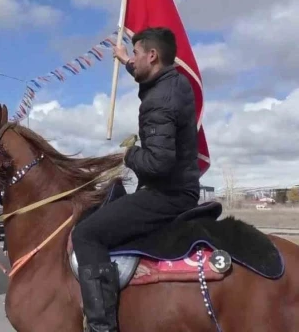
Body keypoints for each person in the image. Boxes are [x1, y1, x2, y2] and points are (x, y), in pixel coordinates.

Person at [71, 27, 201, 332]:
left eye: (137, 53)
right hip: (177, 188)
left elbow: (158, 162)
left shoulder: (160, 100)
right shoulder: (172, 82)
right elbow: (144, 74)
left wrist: (129, 153)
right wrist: (125, 61)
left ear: (152, 56)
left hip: (167, 194)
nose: (133, 58)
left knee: (86, 234)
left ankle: (103, 327)